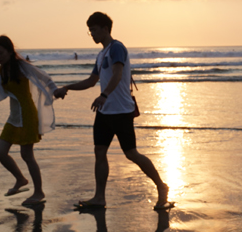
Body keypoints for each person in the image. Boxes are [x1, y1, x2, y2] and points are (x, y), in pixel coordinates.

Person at [55, 11, 171, 211]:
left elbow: (117, 75)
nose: (91, 34)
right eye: (89, 31)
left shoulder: (117, 48)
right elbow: (92, 81)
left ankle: (161, 186)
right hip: (104, 111)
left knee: (131, 154)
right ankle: (99, 197)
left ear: (105, 29)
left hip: (121, 111)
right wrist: (67, 87)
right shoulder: (101, 55)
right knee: (99, 151)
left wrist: (105, 95)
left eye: (94, 30)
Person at [0, 35, 58, 207]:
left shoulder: (21, 66)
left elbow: (43, 77)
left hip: (27, 115)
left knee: (27, 155)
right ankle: (20, 179)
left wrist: (56, 90)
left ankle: (39, 192)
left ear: (10, 52)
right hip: (14, 117)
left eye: (1, 52)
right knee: (0, 152)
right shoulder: (1, 70)